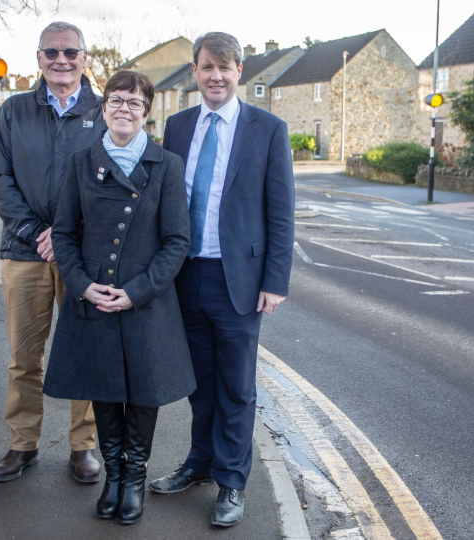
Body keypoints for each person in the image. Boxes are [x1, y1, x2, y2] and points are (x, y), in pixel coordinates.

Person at [149, 32, 295, 527]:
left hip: (239, 282)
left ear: (239, 72)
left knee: (237, 388)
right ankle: (200, 464)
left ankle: (232, 481)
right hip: (185, 277)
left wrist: (275, 280)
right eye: (207, 67)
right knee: (199, 384)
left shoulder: (268, 129)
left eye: (225, 67)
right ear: (195, 71)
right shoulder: (178, 125)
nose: (216, 76)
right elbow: (166, 202)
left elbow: (282, 212)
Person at [43, 70, 196, 525]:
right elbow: (65, 234)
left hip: (144, 303)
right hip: (94, 299)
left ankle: (133, 479)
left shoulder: (166, 164)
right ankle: (113, 476)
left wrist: (137, 292)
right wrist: (81, 284)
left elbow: (177, 241)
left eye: (134, 102)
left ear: (147, 113)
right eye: (116, 100)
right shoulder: (80, 163)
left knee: (143, 394)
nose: (124, 108)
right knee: (105, 390)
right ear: (103, 106)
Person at [0, 21, 105, 484]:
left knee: (85, 354)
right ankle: (22, 444)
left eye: (70, 52)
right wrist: (39, 230)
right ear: (38, 58)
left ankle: (83, 446)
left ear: (84, 57)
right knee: (24, 356)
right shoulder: (14, 111)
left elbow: (111, 182)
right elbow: (0, 179)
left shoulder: (105, 110)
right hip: (24, 250)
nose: (62, 60)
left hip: (83, 258)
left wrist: (67, 234)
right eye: (52, 53)